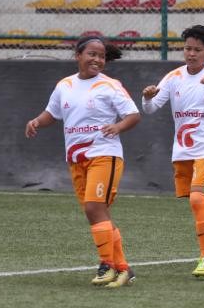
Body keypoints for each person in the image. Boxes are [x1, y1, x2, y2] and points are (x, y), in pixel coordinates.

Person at [25, 36, 141, 288]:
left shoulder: (110, 86)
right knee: (97, 213)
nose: (97, 60)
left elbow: (133, 115)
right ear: (78, 55)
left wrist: (118, 126)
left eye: (101, 56)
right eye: (91, 54)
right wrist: (36, 121)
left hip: (104, 155)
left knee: (93, 208)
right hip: (76, 159)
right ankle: (122, 268)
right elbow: (51, 114)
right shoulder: (64, 85)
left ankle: (107, 264)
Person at [141, 25, 204, 278]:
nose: (191, 54)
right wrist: (146, 97)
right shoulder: (174, 76)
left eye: (197, 49)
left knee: (198, 199)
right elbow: (151, 108)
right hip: (183, 152)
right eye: (187, 48)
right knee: (203, 205)